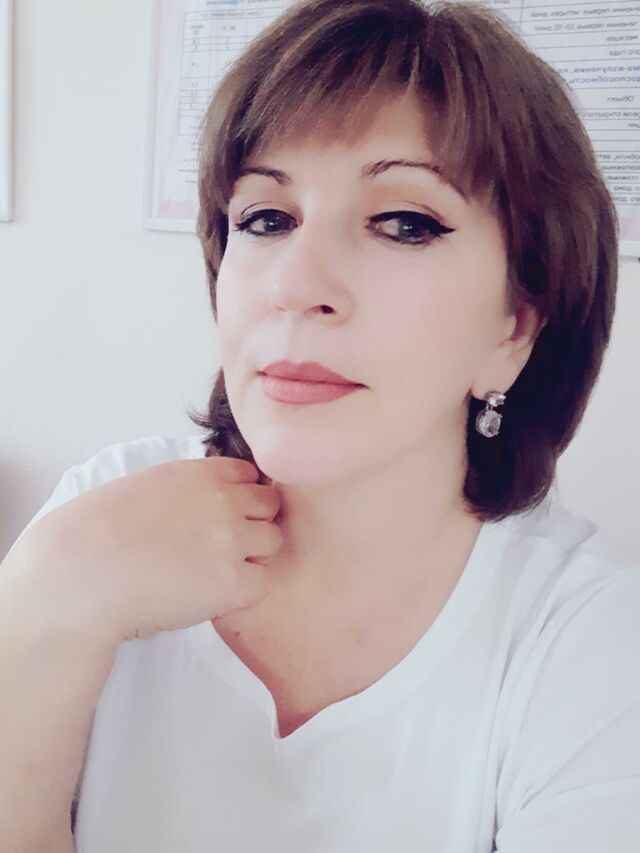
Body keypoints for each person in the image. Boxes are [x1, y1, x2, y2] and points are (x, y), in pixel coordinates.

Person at [1, 1, 637, 851]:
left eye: (404, 223)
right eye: (265, 218)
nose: (295, 284)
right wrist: (43, 601)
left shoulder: (588, 641)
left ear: (514, 329)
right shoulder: (100, 519)